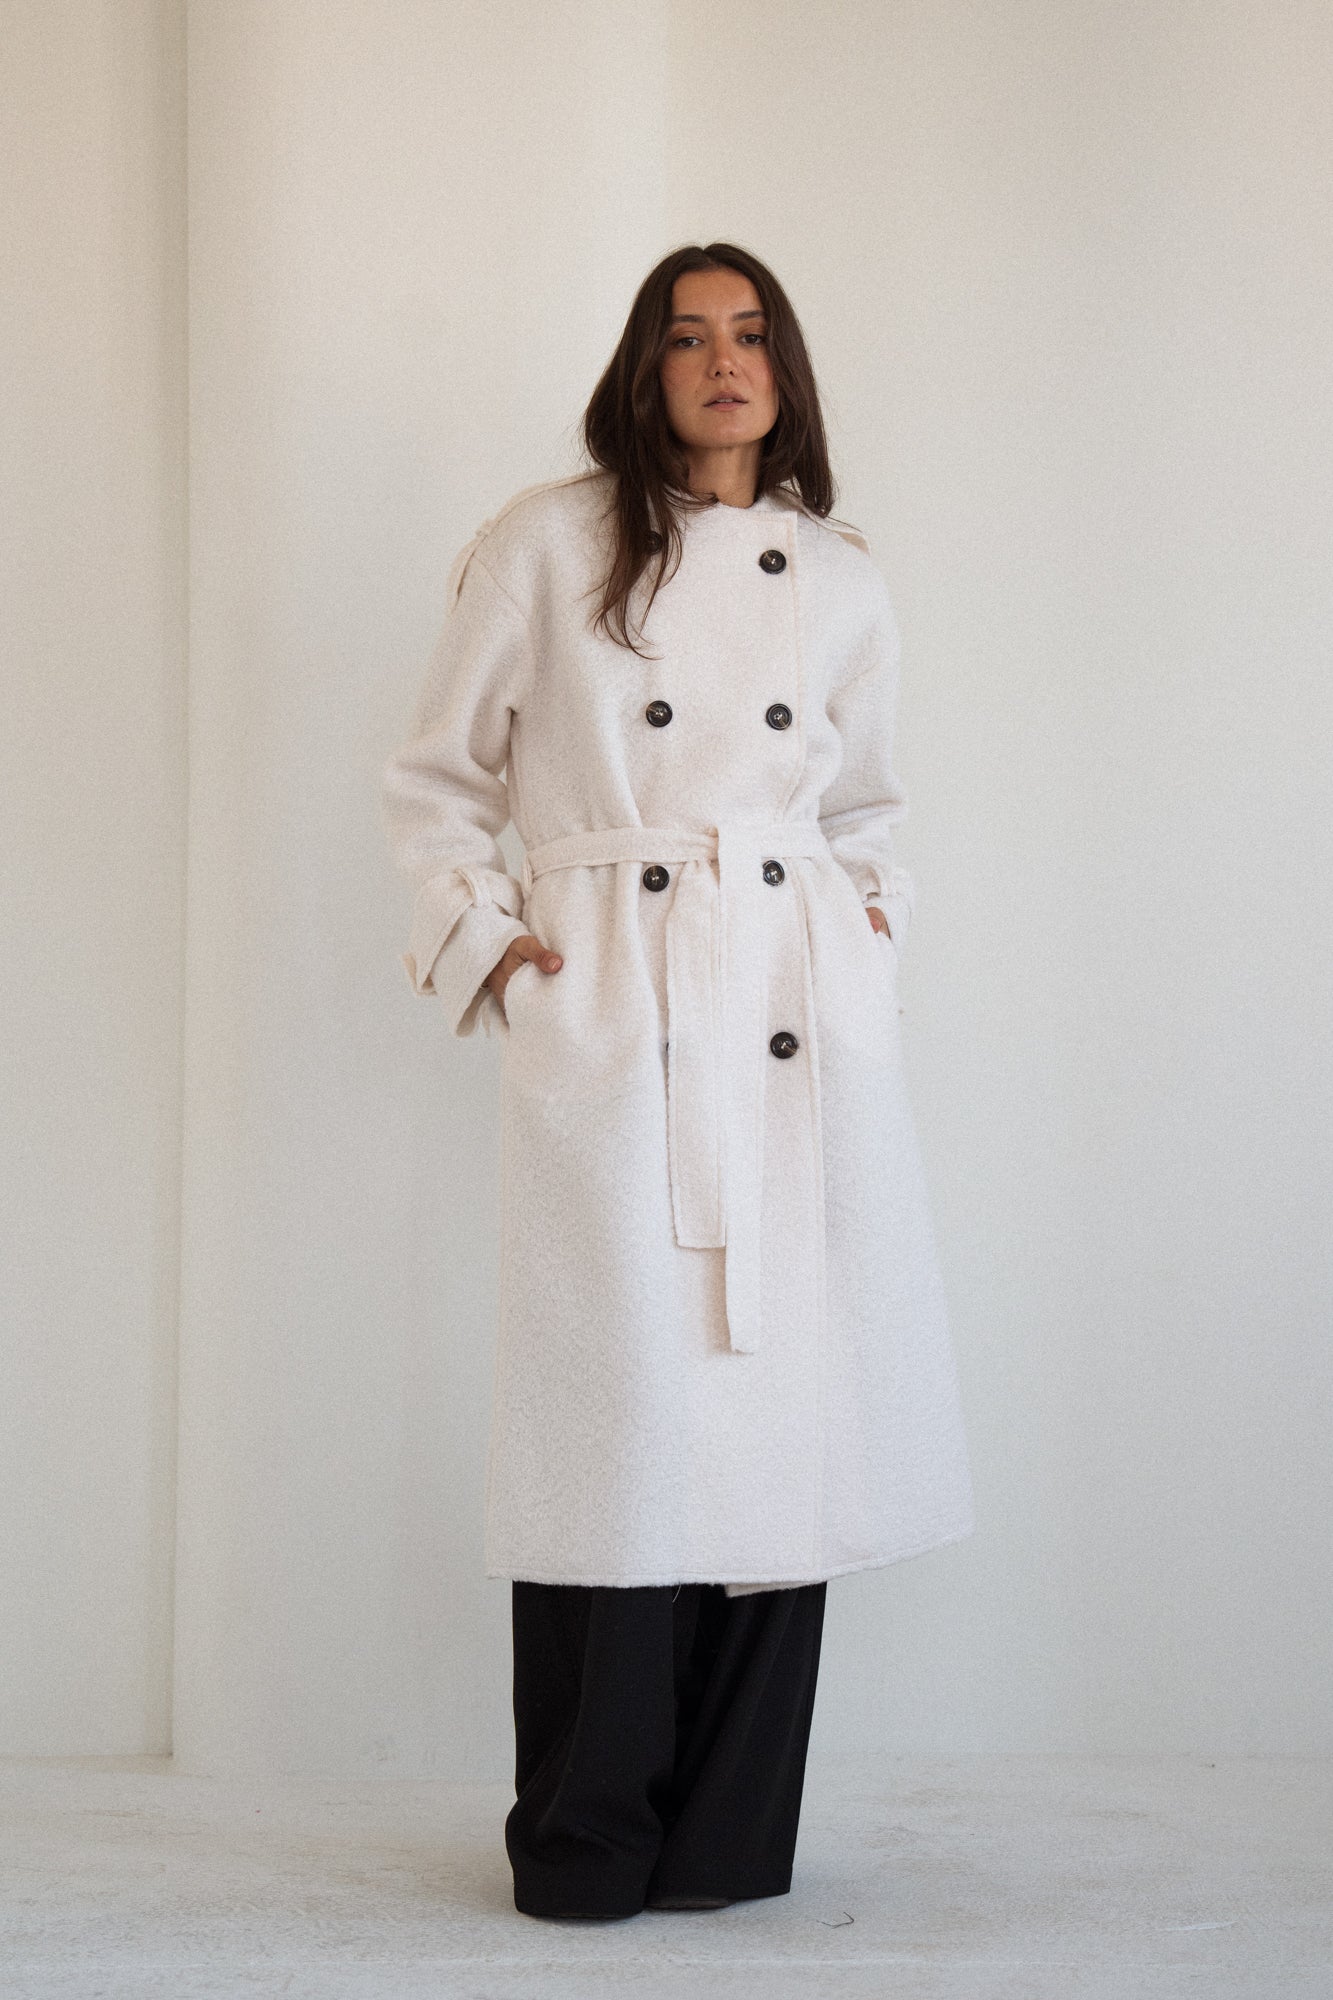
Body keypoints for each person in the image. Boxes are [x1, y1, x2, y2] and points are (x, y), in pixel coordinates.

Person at [381, 242, 975, 1920]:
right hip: (619, 996)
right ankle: (585, 1843)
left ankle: (723, 1840)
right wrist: (493, 947)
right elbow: (434, 781)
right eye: (687, 336)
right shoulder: (545, 543)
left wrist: (860, 927)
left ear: (785, 369)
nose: (724, 361)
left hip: (789, 1012)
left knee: (781, 1417)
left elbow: (867, 807)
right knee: (615, 1418)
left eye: (751, 333)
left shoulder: (837, 575)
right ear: (642, 368)